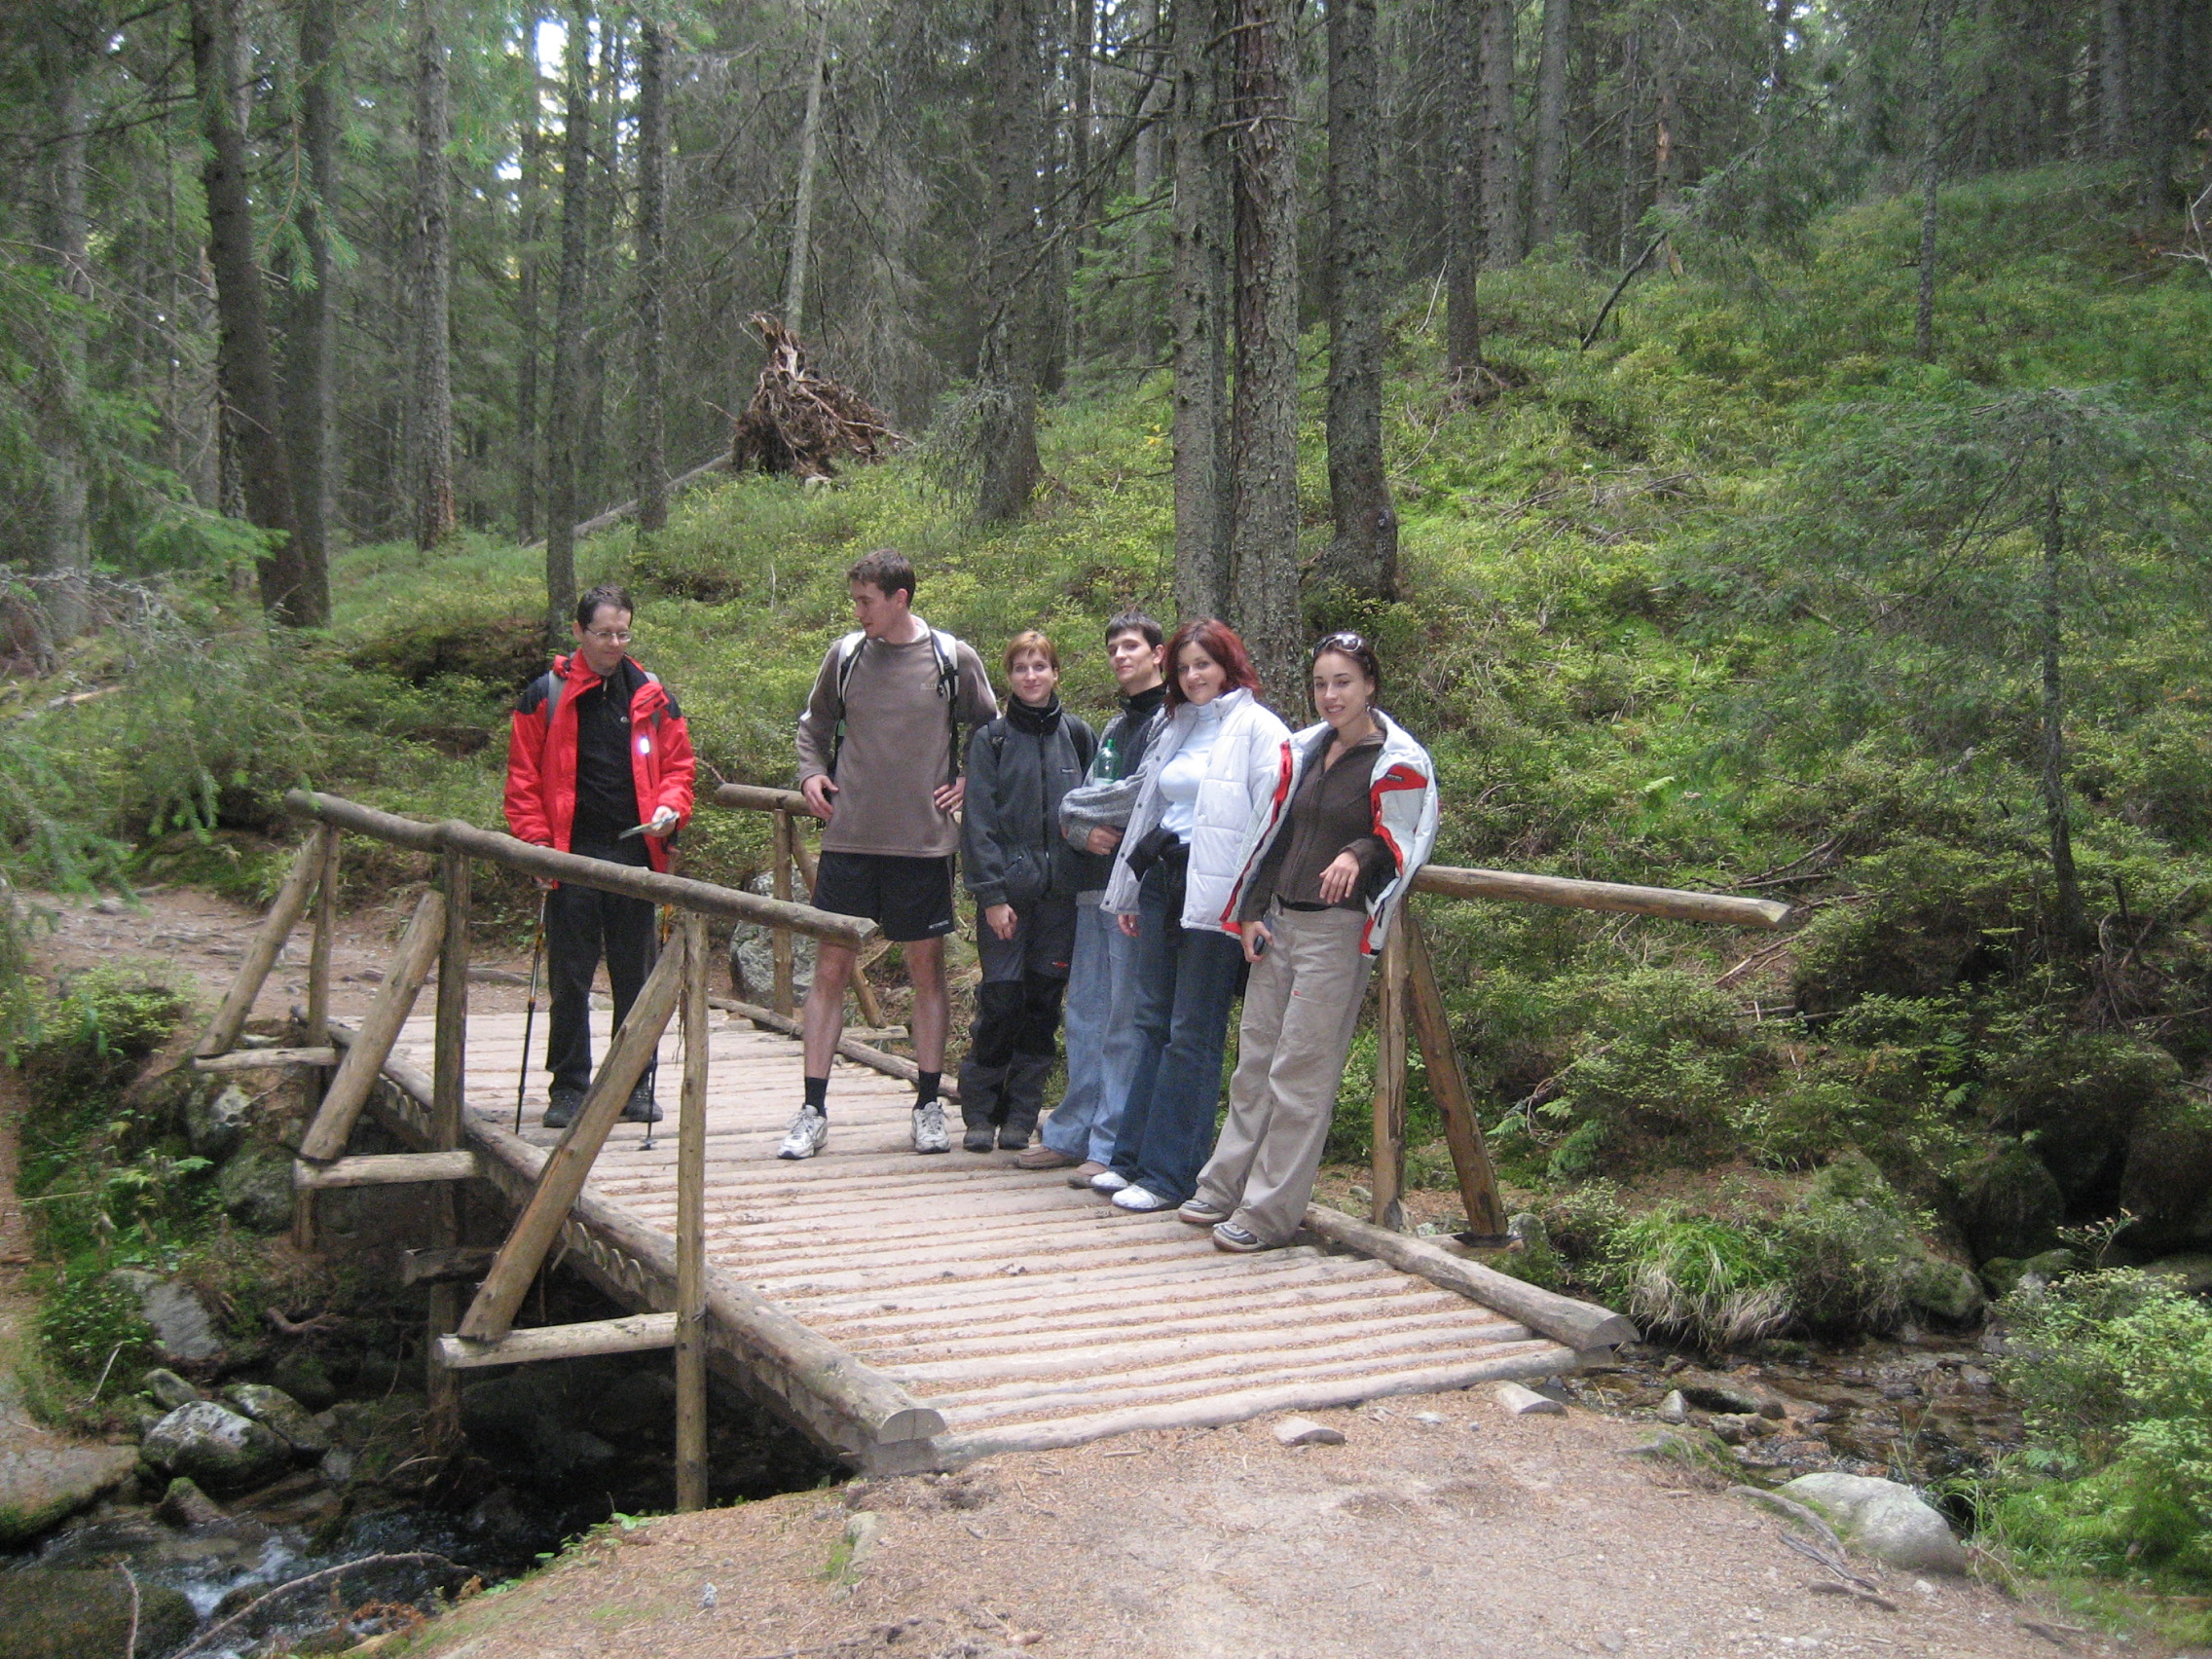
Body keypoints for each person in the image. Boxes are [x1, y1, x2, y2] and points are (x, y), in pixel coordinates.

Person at [1181, 632, 1439, 1251]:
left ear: (1370, 684)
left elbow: (1405, 838)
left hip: (1336, 932)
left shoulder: (1397, 760)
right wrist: (1249, 911)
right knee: (1255, 1063)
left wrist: (1358, 851)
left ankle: (1268, 1213)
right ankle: (1224, 1184)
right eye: (1321, 683)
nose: (1330, 695)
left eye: (1343, 682)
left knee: (1301, 1073)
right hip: (1280, 922)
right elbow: (1271, 834)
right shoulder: (1305, 749)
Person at [783, 548, 998, 1159]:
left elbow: (991, 728)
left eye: (865, 601)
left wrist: (970, 779)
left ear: (899, 598)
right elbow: (813, 725)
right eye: (855, 600)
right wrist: (810, 774)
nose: (858, 612)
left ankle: (928, 1104)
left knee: (926, 970)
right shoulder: (846, 655)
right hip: (850, 838)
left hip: (923, 843)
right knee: (829, 971)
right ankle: (812, 1109)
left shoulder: (951, 658)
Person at [1091, 618, 1289, 1212]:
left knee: (1191, 1033)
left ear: (1229, 664)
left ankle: (1170, 1174)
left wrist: (1251, 906)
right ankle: (1131, 1159)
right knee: (1151, 1021)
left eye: (1203, 664)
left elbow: (1272, 822)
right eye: (1182, 667)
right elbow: (1151, 809)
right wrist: (1130, 891)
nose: (1192, 676)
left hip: (1218, 896)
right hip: (1164, 880)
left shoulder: (1259, 729)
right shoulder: (1175, 724)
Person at [503, 583, 697, 1128]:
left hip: (636, 851)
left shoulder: (652, 694)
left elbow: (679, 767)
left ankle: (634, 1083)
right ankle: (568, 1088)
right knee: (571, 977)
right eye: (604, 633)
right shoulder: (544, 695)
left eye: (623, 633)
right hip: (570, 854)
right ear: (579, 632)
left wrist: (671, 809)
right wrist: (538, 849)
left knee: (635, 975)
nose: (615, 643)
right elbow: (522, 780)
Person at [1015, 611, 1168, 1179]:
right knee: (1084, 1014)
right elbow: (1087, 803)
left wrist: (1072, 808)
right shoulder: (1114, 728)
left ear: (1158, 654)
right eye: (1113, 649)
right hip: (1091, 887)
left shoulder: (1171, 722)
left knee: (1125, 1019)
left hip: (1137, 888)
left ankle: (1111, 1143)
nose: (1120, 657)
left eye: (1131, 646)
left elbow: (1142, 795)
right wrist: (1080, 827)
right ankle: (1072, 1132)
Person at [956, 631, 1096, 1152]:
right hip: (1007, 897)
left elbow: (1094, 807)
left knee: (1041, 1004)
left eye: (1040, 666)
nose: (1031, 676)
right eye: (1021, 668)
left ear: (1056, 673)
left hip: (1062, 897)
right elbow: (978, 822)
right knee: (1000, 1001)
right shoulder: (990, 740)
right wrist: (992, 896)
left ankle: (1021, 1113)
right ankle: (979, 1111)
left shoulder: (1078, 735)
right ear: (1009, 677)